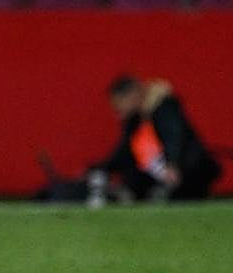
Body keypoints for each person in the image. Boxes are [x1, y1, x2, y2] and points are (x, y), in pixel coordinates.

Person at [86, 75, 221, 204]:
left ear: (133, 94)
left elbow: (174, 137)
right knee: (136, 178)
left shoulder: (163, 107)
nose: (118, 110)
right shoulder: (136, 120)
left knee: (171, 191)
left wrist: (172, 164)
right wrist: (102, 167)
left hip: (187, 168)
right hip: (160, 171)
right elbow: (126, 150)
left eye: (119, 103)